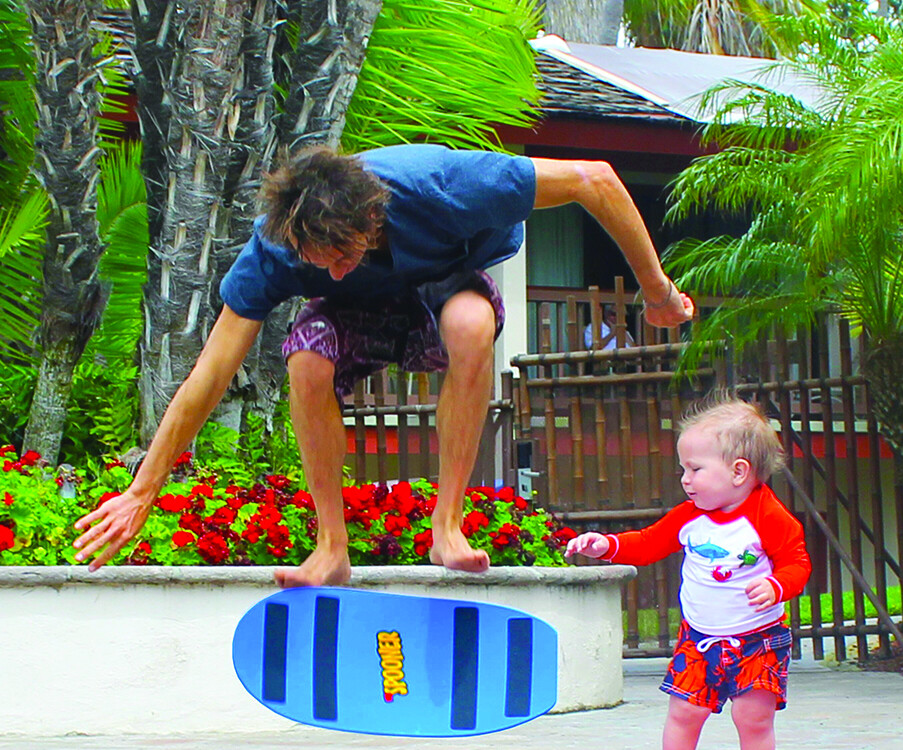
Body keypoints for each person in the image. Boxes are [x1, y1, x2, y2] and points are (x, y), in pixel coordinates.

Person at [72, 143, 694, 588]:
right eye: (320, 261)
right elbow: (207, 376)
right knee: (308, 356)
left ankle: (446, 525)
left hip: (443, 285)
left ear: (373, 217)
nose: (336, 267)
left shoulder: (445, 183)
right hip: (355, 316)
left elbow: (597, 179)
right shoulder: (275, 249)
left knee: (472, 325)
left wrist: (657, 291)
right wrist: (141, 491)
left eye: (344, 254)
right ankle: (331, 547)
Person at [566, 395, 811, 750]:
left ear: (738, 471)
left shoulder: (769, 517)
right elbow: (650, 543)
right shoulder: (689, 515)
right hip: (698, 639)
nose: (686, 479)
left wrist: (777, 585)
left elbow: (798, 564)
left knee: (752, 719)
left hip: (758, 640)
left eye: (695, 469)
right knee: (683, 714)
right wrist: (608, 545)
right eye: (684, 469)